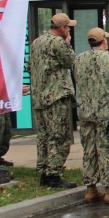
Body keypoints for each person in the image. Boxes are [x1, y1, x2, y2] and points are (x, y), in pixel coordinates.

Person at [74, 27, 109, 203]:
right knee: (108, 150)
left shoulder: (79, 59)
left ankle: (91, 188)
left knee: (89, 150)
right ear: (104, 41)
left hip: (85, 112)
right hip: (107, 112)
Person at [29, 12, 77, 189]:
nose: (69, 30)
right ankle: (53, 173)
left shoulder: (36, 42)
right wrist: (67, 44)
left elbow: (30, 66)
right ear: (62, 28)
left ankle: (43, 170)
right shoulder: (58, 42)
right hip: (56, 95)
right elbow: (71, 62)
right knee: (59, 135)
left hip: (39, 96)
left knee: (44, 135)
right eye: (68, 27)